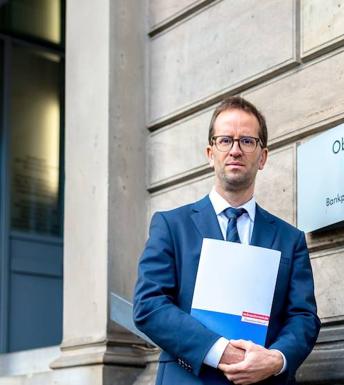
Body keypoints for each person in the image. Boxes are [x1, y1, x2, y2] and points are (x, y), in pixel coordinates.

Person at [133, 96, 321, 385]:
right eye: (225, 140)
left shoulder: (289, 239)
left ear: (263, 157)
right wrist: (221, 352)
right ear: (210, 153)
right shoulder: (171, 226)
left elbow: (303, 318)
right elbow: (149, 306)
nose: (235, 149)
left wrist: (276, 359)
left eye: (247, 141)